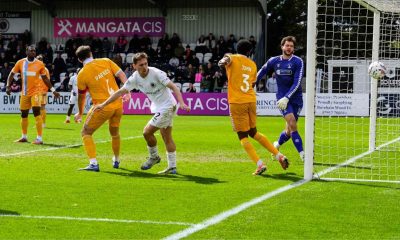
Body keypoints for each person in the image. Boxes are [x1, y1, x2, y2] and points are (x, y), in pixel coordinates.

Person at [94, 52, 190, 174]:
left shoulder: (156, 73)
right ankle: (172, 167)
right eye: (141, 65)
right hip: (159, 107)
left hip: (168, 106)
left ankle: (154, 157)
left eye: (146, 64)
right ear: (134, 66)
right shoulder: (135, 78)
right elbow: (119, 92)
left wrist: (181, 103)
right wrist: (103, 104)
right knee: (167, 137)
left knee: (147, 132)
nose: (144, 67)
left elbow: (174, 87)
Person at [218, 39, 289, 175]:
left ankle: (260, 164)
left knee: (242, 136)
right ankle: (279, 155)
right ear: (249, 51)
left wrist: (223, 62)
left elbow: (223, 61)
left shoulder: (231, 57)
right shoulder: (252, 64)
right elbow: (251, 84)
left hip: (237, 101)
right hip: (251, 99)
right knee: (253, 132)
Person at [73, 45, 129, 172]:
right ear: (91, 53)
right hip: (118, 104)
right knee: (114, 133)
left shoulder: (81, 74)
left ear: (80, 60)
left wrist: (80, 113)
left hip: (102, 107)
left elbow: (81, 97)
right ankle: (116, 159)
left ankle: (93, 164)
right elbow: (121, 75)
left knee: (86, 133)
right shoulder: (106, 61)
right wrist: (127, 91)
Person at [257, 36, 305, 161]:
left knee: (289, 131)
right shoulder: (274, 61)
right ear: (282, 46)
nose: (289, 48)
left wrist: (288, 97)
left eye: (291, 46)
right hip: (282, 100)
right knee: (293, 123)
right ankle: (303, 155)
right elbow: (262, 71)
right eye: (287, 45)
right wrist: (252, 83)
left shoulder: (298, 61)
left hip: (296, 99)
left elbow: (297, 82)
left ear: (293, 49)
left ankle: (276, 146)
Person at [6, 45, 60, 144]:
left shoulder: (40, 64)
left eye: (34, 51)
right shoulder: (20, 62)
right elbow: (11, 74)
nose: (33, 52)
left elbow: (45, 79)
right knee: (24, 114)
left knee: (36, 112)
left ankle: (39, 138)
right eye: (31, 51)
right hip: (25, 93)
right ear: (26, 52)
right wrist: (8, 86)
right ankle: (24, 137)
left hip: (36, 92)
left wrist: (53, 90)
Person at [36, 54, 50, 128]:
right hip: (35, 91)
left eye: (40, 61)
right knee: (37, 108)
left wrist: (45, 90)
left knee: (42, 107)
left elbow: (47, 81)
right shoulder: (36, 69)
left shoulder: (45, 70)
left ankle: (43, 123)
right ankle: (39, 123)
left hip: (42, 91)